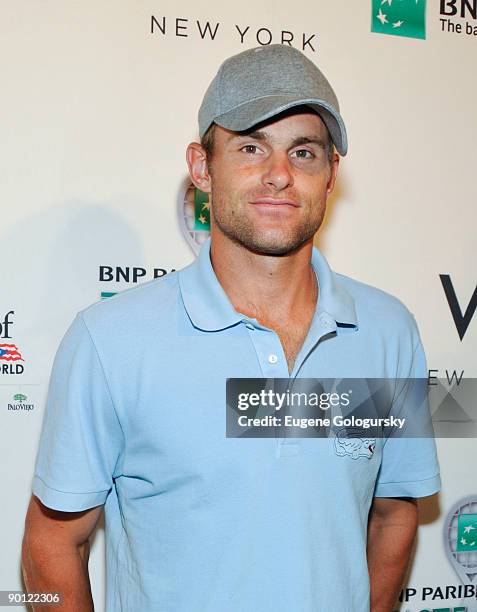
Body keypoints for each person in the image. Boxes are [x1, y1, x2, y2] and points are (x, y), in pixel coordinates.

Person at [22, 44, 440, 611]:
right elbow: (50, 543)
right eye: (250, 147)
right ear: (202, 167)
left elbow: (394, 510)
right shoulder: (110, 341)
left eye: (304, 152)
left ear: (331, 174)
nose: (279, 175)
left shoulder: (389, 332)